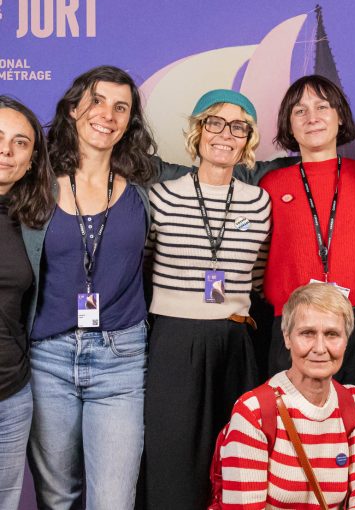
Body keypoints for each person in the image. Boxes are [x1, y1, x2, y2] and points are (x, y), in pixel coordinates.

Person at [22, 66, 166, 510]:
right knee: (57, 497)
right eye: (97, 101)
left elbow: (218, 167)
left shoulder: (146, 184)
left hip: (120, 359)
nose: (108, 114)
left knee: (113, 501)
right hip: (48, 357)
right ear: (73, 109)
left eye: (121, 107)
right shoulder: (35, 182)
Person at [259, 75, 355, 485]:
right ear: (288, 124)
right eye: (299, 110)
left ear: (340, 117)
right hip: (294, 330)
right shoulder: (271, 185)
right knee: (293, 458)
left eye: (322, 106)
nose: (312, 116)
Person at [144, 89, 271, 510]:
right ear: (198, 132)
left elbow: (256, 274)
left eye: (238, 127)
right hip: (174, 340)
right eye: (214, 123)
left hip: (234, 340)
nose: (225, 135)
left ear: (248, 140)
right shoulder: (162, 198)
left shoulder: (259, 203)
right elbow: (144, 263)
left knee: (236, 461)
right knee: (173, 458)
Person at [219, 282, 355, 508]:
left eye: (332, 334)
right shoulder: (253, 411)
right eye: (307, 333)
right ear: (287, 338)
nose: (320, 348)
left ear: (346, 341)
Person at [0, 97, 52, 510]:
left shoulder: (31, 222)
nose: (6, 151)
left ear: (32, 160)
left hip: (11, 394)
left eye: (20, 143)